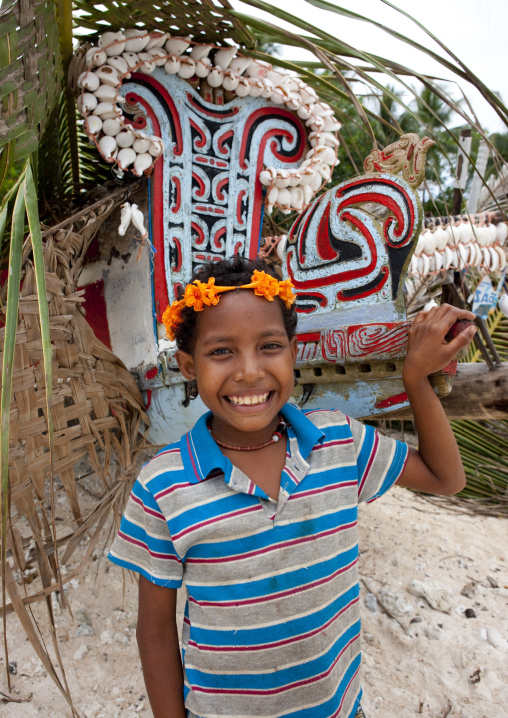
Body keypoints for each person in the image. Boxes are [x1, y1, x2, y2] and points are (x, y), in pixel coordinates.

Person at [108, 256, 476, 718]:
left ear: (293, 352)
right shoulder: (163, 483)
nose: (248, 371)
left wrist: (416, 378)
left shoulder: (340, 442)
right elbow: (156, 632)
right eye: (221, 351)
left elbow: (447, 479)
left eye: (269, 346)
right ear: (187, 364)